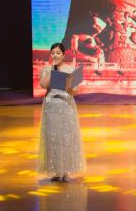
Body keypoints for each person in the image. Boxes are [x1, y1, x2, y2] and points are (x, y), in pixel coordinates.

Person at [37, 42, 86, 182]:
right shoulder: (47, 69)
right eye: (53, 53)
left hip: (66, 104)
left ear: (64, 55)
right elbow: (44, 85)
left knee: (67, 137)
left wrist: (69, 84)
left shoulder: (70, 69)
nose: (55, 55)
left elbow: (76, 90)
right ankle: (56, 171)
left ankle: (66, 171)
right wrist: (53, 72)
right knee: (53, 137)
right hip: (51, 106)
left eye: (58, 53)